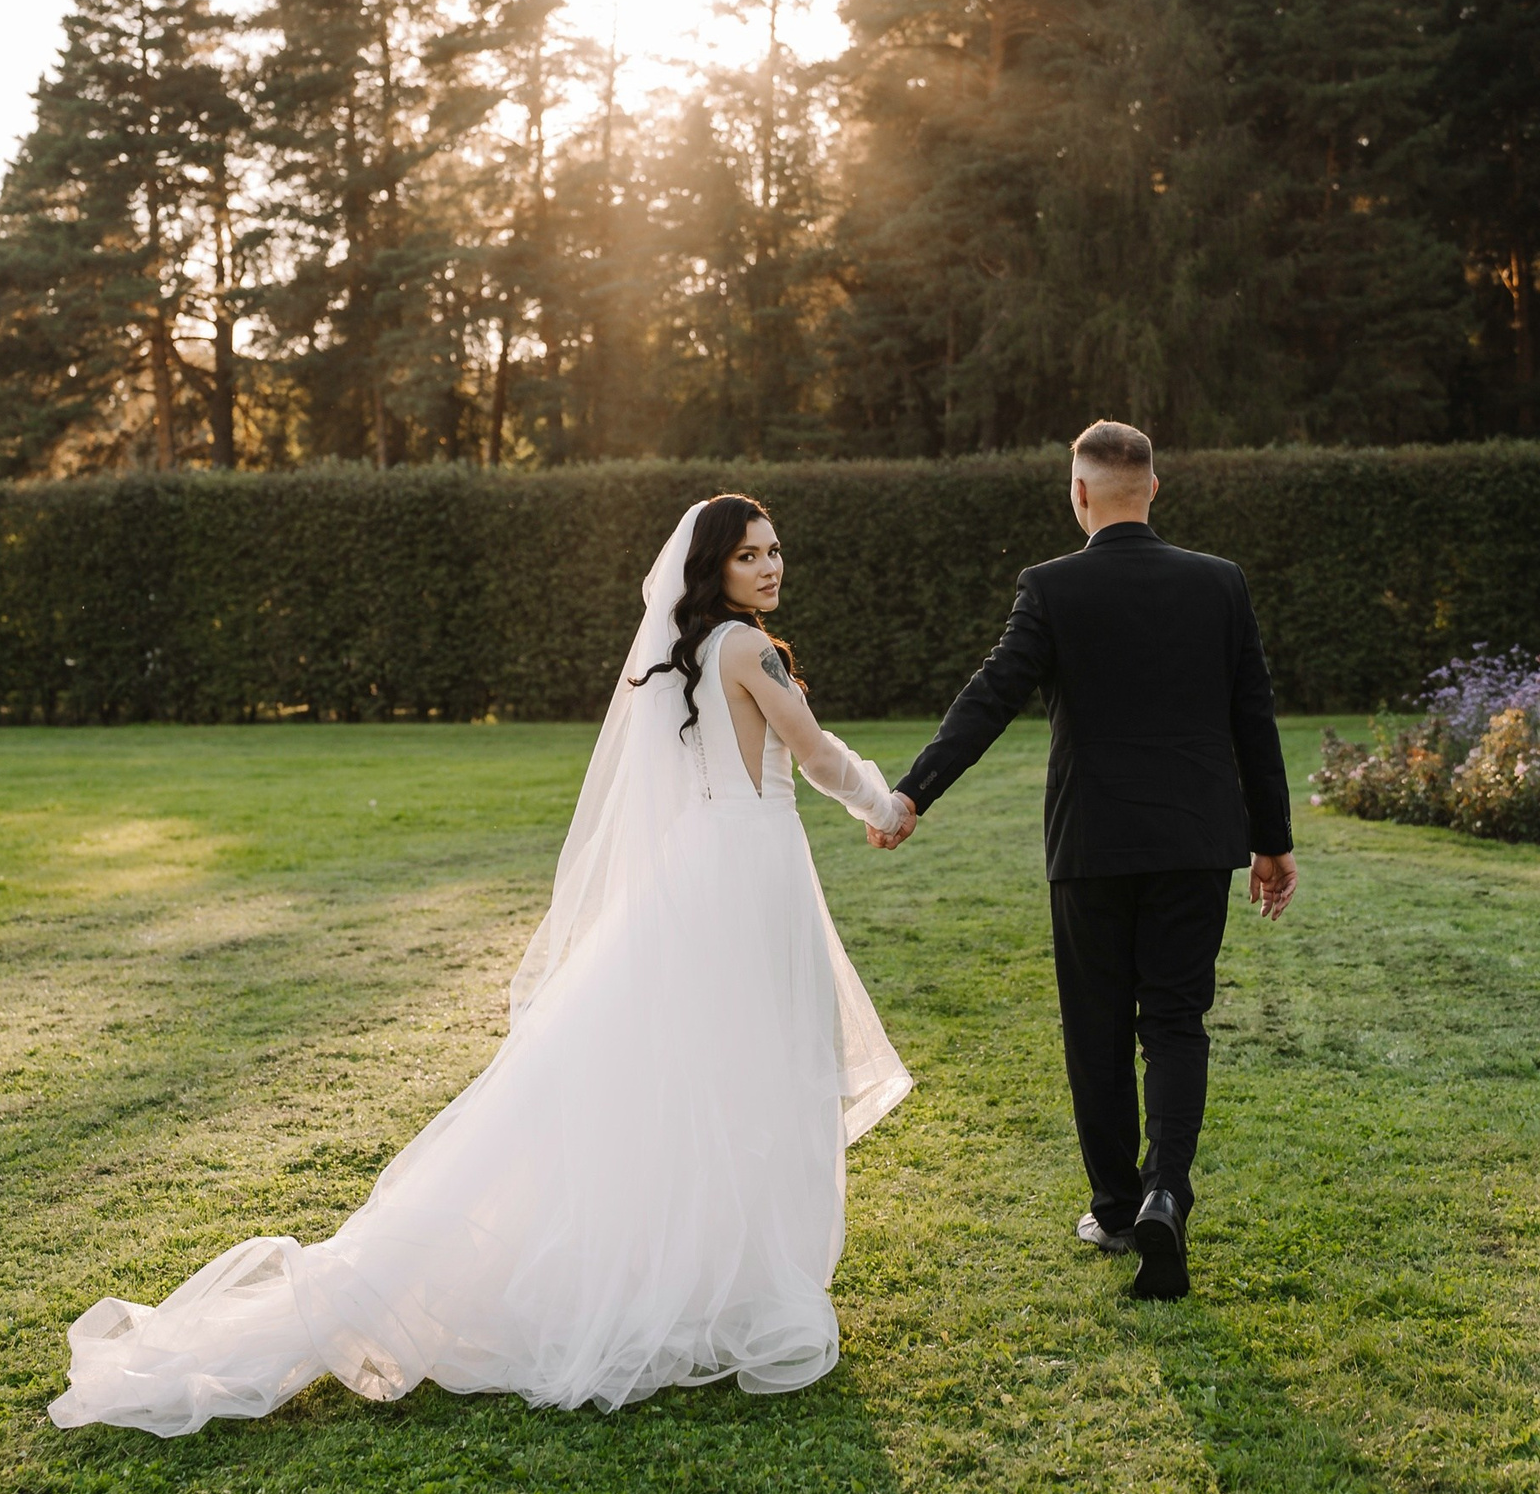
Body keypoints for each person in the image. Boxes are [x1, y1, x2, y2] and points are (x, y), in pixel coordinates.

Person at [47, 496, 913, 1436]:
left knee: (699, 1068)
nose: (771, 567)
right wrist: (886, 801)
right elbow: (816, 755)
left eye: (777, 551)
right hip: (746, 869)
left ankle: (717, 1267)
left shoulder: (689, 653)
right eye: (750, 556)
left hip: (706, 868)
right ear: (715, 569)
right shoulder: (749, 651)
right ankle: (735, 1274)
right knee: (746, 1062)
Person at [875, 420, 1295, 1301]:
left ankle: (1113, 1207)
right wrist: (1272, 840)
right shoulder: (1220, 583)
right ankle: (1166, 1191)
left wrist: (914, 791)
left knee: (1096, 1028)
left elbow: (991, 696)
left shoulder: (1051, 587)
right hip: (1195, 842)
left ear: (1079, 494)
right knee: (1175, 1022)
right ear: (1154, 487)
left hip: (1093, 846)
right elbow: (1253, 717)